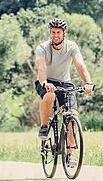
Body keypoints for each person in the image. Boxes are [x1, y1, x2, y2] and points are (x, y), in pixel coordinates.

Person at [34, 18, 94, 167]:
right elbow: (41, 68)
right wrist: (44, 83)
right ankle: (44, 126)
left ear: (64, 33)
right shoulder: (42, 48)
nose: (55, 35)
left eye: (58, 32)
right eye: (53, 32)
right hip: (46, 81)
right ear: (50, 33)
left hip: (65, 83)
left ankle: (70, 154)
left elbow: (80, 65)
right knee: (49, 95)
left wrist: (88, 82)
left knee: (73, 115)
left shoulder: (71, 47)